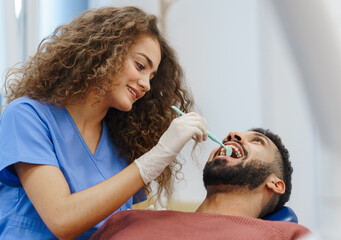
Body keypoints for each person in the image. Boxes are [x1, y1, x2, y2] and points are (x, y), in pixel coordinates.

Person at [0, 6, 208, 240]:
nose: (146, 85)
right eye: (140, 66)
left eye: (151, 77)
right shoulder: (27, 116)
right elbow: (61, 219)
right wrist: (155, 158)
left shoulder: (124, 142)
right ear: (105, 53)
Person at [90, 128, 311, 240]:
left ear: (276, 184)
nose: (231, 135)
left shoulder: (288, 235)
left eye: (257, 141)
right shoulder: (127, 220)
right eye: (229, 138)